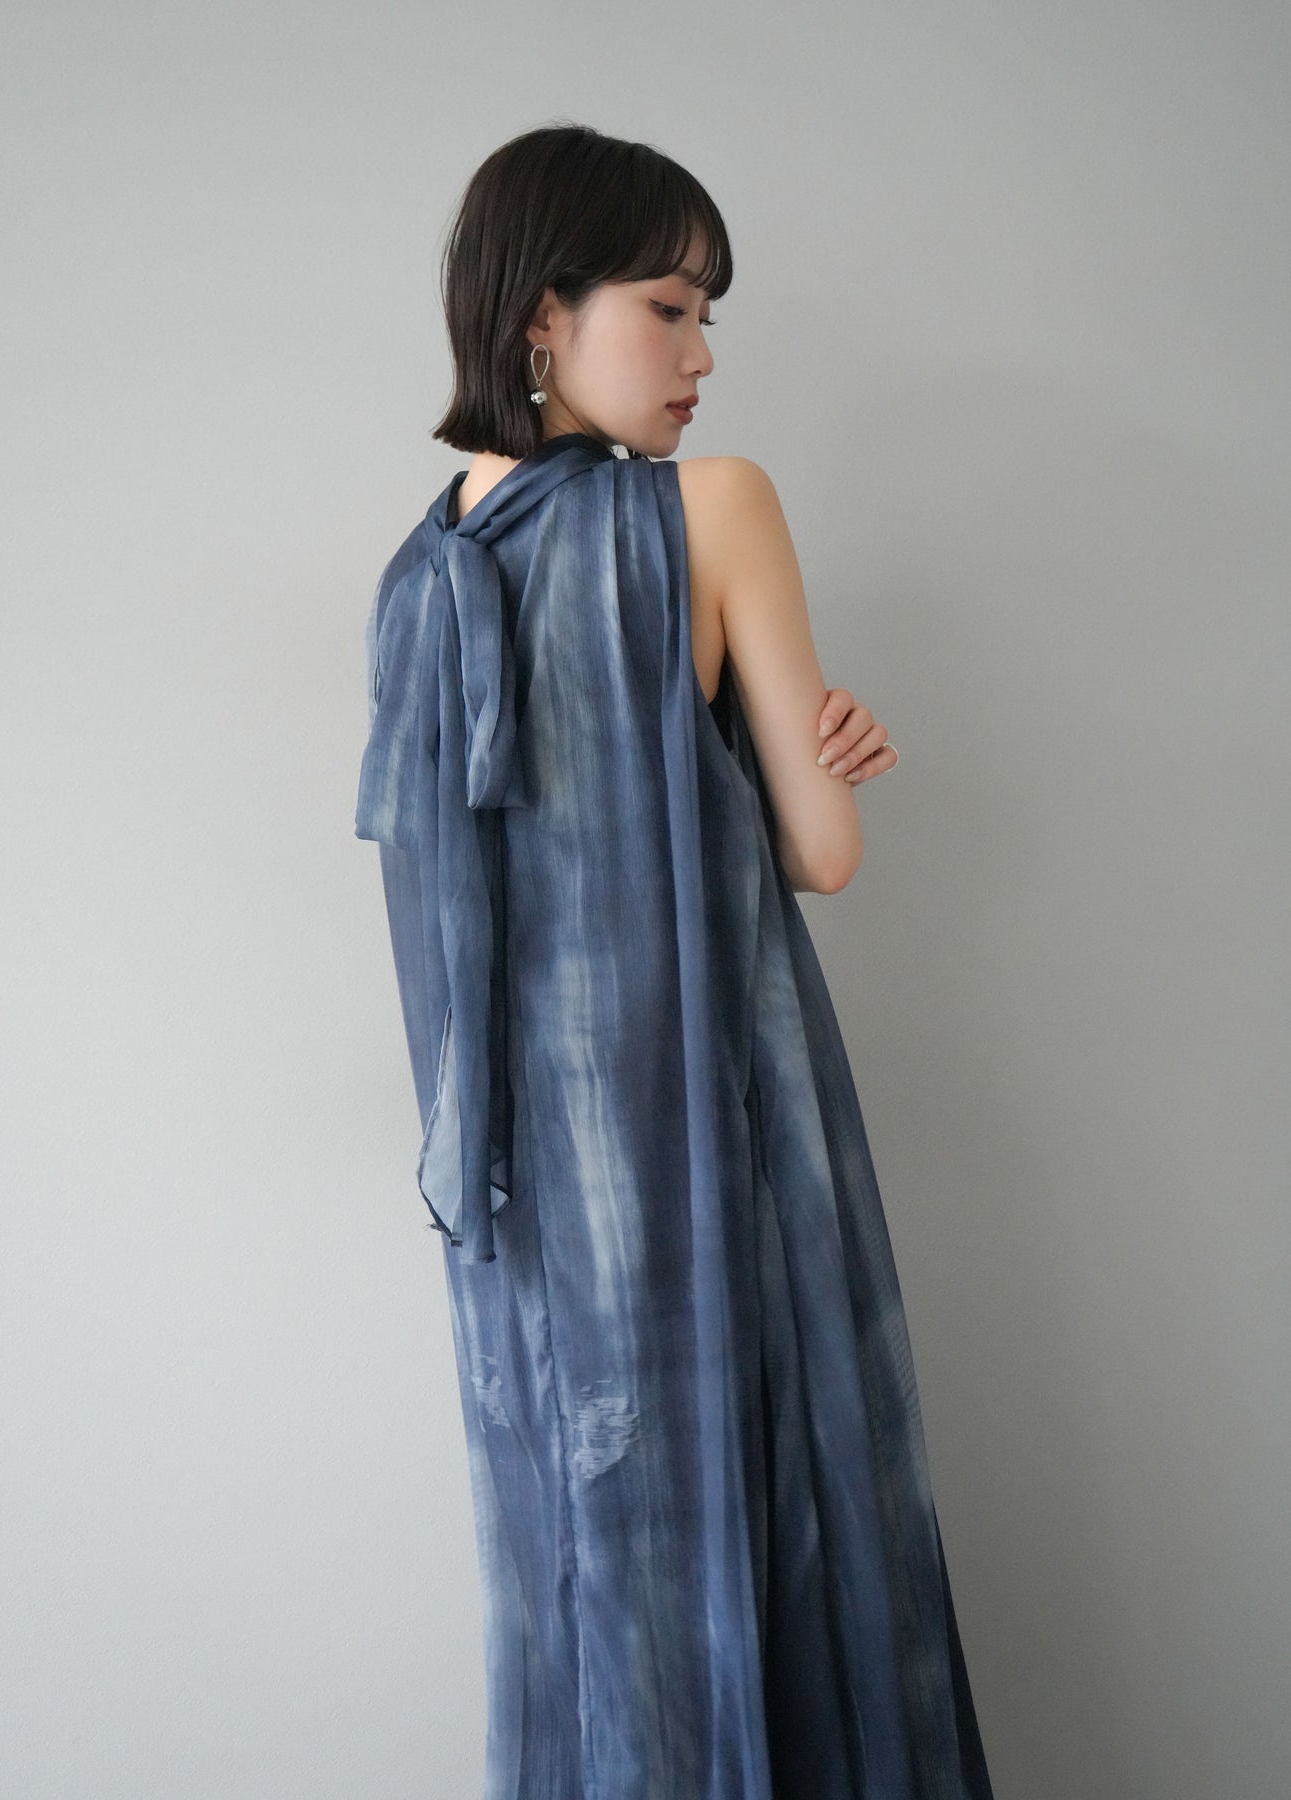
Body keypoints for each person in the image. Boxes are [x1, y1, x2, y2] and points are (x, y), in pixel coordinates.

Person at [355, 122, 994, 1799]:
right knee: (788, 1540)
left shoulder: (414, 579)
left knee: (582, 1590)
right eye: (667, 307)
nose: (701, 358)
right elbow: (822, 858)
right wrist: (798, 759)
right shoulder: (712, 510)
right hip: (713, 1140)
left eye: (706, 317)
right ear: (539, 316)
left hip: (519, 1206)